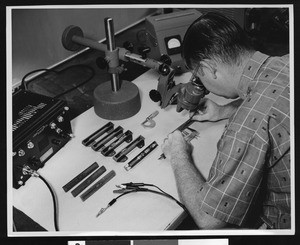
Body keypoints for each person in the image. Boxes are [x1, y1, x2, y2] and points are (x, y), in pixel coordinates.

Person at [161, 12, 290, 229]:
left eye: (199, 77)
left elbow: (209, 219)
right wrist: (225, 111)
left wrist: (177, 154)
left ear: (210, 69)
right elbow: (274, 96)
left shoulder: (244, 127)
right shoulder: (287, 60)